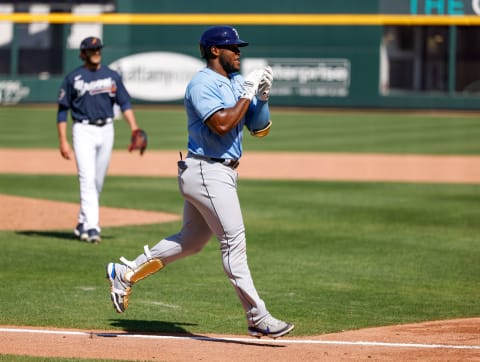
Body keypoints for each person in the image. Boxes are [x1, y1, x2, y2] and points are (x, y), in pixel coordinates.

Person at [106, 25, 294, 339]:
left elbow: (259, 129)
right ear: (214, 51)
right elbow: (221, 125)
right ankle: (257, 317)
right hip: (207, 170)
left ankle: (125, 273)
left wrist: (261, 98)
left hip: (218, 172)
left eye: (239, 47)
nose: (238, 52)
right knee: (233, 241)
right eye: (232, 47)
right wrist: (247, 94)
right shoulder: (201, 84)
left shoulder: (235, 81)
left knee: (190, 242)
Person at [56, 36, 142, 243]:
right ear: (83, 53)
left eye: (98, 49)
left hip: (107, 130)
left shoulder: (111, 76)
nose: (96, 52)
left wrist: (134, 127)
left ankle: (82, 222)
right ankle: (93, 228)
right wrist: (63, 140)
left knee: (97, 181)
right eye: (92, 50)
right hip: (83, 130)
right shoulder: (73, 78)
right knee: (87, 179)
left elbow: (125, 103)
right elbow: (62, 111)